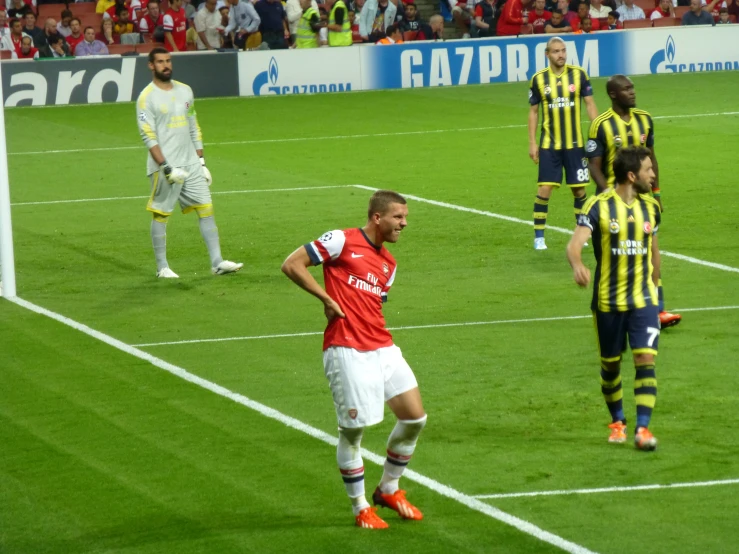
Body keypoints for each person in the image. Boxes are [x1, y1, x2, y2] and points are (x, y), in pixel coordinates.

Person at [281, 190, 427, 530]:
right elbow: (291, 264)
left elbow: (371, 304)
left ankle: (388, 489)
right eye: (398, 217)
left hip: (382, 347)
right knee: (353, 433)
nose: (404, 224)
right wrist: (325, 298)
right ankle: (360, 508)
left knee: (414, 418)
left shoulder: (388, 264)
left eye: (405, 218)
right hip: (346, 349)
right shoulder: (341, 241)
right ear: (378, 218)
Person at [567, 146, 662, 451]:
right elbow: (575, 244)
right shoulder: (598, 206)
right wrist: (578, 264)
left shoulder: (652, 208)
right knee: (611, 367)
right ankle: (618, 421)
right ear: (632, 175)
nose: (653, 174)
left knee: (645, 359)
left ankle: (643, 429)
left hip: (643, 301)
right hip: (608, 302)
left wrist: (657, 289)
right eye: (648, 169)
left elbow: (655, 250)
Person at [136, 48, 243, 279]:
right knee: (161, 214)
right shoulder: (146, 97)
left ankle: (217, 262)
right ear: (151, 66)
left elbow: (194, 126)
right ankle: (162, 267)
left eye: (168, 61)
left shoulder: (185, 91)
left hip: (192, 164)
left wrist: (201, 161)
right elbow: (148, 137)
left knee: (206, 209)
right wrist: (166, 167)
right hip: (166, 166)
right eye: (161, 62)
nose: (166, 65)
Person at [585, 75, 682, 329]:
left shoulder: (644, 119)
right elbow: (593, 166)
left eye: (632, 87)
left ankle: (656, 308)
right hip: (610, 205)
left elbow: (652, 158)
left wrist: (656, 193)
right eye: (626, 89)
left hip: (642, 201)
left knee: (650, 251)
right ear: (613, 95)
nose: (632, 92)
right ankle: (612, 311)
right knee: (611, 259)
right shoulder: (600, 125)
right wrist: (609, 196)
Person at [528, 37, 598, 250]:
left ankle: (580, 233)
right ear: (547, 54)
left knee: (579, 191)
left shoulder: (579, 74)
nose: (561, 55)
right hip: (550, 145)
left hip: (575, 145)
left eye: (563, 50)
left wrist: (597, 134)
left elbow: (590, 104)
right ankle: (539, 236)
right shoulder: (538, 79)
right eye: (556, 51)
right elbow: (533, 112)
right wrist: (532, 142)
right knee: (545, 189)